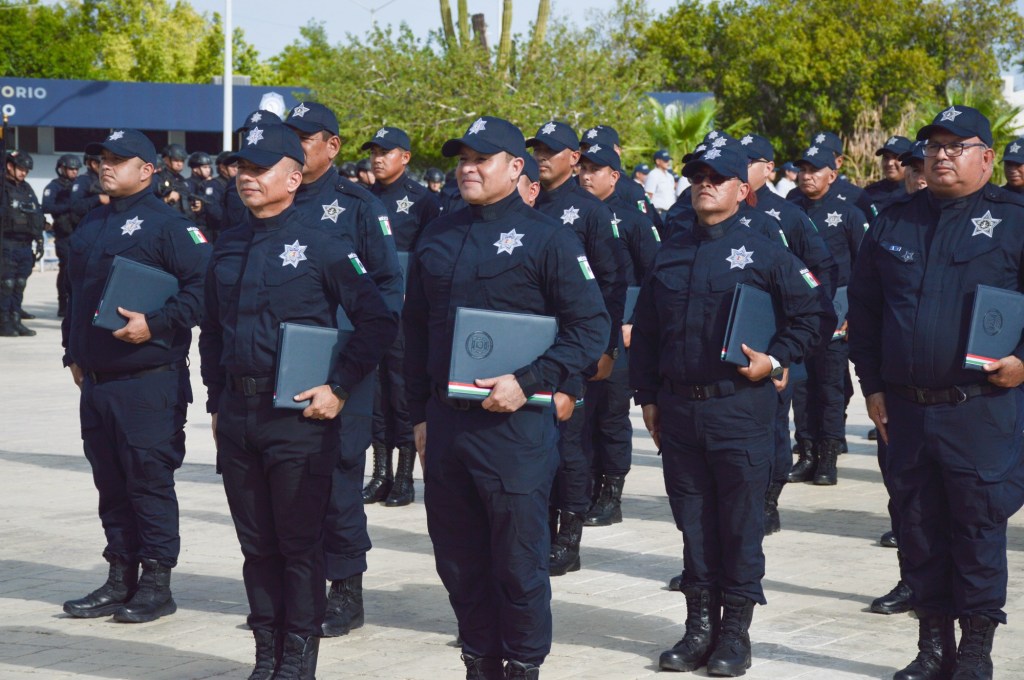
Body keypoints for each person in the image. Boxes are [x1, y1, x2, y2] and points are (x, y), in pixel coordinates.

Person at [403, 115, 610, 680]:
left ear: (515, 167)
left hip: (514, 430)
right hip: (446, 427)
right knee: (459, 562)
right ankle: (479, 663)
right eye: (461, 159)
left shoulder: (550, 239)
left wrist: (533, 379)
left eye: (481, 159)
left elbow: (591, 328)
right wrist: (418, 416)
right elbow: (415, 331)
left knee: (518, 565)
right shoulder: (438, 235)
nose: (467, 169)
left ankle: (522, 665)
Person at [199, 123, 397, 679]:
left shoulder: (323, 243)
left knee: (298, 544)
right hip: (239, 415)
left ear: (292, 175)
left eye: (260, 169)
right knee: (256, 544)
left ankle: (297, 660)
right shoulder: (228, 242)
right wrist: (215, 398)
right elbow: (212, 328)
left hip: (299, 420)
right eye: (241, 168)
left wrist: (338, 388)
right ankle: (266, 655)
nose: (246, 178)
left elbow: (377, 321)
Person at [631, 144, 828, 676]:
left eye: (718, 178)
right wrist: (646, 397)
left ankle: (734, 635)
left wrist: (777, 358)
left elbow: (815, 315)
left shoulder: (766, 250)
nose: (704, 184)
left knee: (740, 524)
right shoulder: (669, 252)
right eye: (697, 175)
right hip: (678, 410)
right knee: (693, 523)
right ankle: (699, 628)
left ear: (744, 190)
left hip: (739, 409)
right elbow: (646, 333)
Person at [849, 105, 1024, 680]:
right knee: (917, 528)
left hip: (980, 409)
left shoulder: (1013, 219)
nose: (942, 155)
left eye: (956, 145)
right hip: (906, 410)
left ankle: (974, 651)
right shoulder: (894, 221)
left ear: (986, 157)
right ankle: (932, 647)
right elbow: (866, 312)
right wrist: (871, 387)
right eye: (934, 146)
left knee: (975, 530)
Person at [60, 129, 211, 623]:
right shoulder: (95, 219)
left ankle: (156, 584)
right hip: (98, 381)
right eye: (103, 158)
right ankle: (119, 576)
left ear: (148, 170)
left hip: (147, 380)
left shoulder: (170, 225)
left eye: (119, 160)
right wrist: (73, 353)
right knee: (111, 484)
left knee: (148, 482)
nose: (106, 166)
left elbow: (205, 290)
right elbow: (75, 293)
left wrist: (156, 324)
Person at [284, 100, 404, 638]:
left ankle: (346, 591)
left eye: (305, 138)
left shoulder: (356, 206)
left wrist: (350, 362)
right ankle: (296, 592)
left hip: (342, 366)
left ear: (331, 145)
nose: (294, 146)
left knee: (337, 479)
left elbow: (387, 291)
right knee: (285, 484)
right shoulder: (269, 198)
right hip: (281, 366)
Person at [528, 120, 627, 576]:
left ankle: (567, 539)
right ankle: (539, 531)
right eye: (537, 150)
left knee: (570, 444)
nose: (542, 157)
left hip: (575, 344)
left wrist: (603, 347)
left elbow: (611, 283)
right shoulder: (524, 203)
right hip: (530, 343)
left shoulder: (591, 211)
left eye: (552, 151)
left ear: (574, 157)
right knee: (534, 443)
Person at [740, 133, 838, 535]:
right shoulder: (700, 213)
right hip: (724, 349)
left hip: (774, 342)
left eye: (749, 162)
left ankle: (768, 500)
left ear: (768, 169)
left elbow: (820, 272)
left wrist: (799, 339)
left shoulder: (786, 215)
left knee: (774, 425)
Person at [576, 142, 659, 526]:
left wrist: (635, 324)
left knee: (610, 414)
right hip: (577, 331)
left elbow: (656, 279)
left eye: (596, 169)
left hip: (620, 332)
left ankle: (610, 494)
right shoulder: (568, 214)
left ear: (614, 175)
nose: (586, 175)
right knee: (580, 415)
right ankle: (585, 487)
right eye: (583, 168)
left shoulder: (633, 221)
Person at [362, 125, 442, 507]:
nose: (378, 158)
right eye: (374, 152)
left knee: (400, 389)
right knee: (375, 392)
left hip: (406, 313)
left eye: (386, 152)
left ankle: (405, 476)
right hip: (369, 310)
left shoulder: (424, 201)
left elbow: (431, 257)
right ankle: (380, 471)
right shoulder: (361, 198)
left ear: (405, 157)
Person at [787, 145, 867, 487]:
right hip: (798, 311)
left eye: (815, 170)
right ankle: (806, 452)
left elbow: (865, 266)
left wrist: (855, 312)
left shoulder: (848, 213)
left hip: (838, 308)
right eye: (802, 170)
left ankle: (828, 456)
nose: (807, 177)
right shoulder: (789, 211)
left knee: (830, 385)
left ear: (832, 175)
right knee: (802, 386)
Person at [1, 150, 45, 337]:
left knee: (20, 283)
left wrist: (40, 239)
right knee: (7, 283)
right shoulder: (3, 187)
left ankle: (16, 319)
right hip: (7, 243)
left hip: (25, 245)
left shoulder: (26, 189)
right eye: (21, 169)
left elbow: (37, 214)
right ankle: (4, 321)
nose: (23, 173)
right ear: (9, 166)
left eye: (26, 170)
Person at [42, 154, 83, 318]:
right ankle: (63, 304)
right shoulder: (55, 186)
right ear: (62, 168)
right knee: (66, 269)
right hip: (64, 235)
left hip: (79, 233)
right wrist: (70, 205)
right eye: (70, 169)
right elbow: (46, 206)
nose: (74, 172)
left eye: (76, 169)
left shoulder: (80, 185)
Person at [865, 135, 913, 214]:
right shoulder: (870, 192)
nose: (889, 163)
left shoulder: (918, 192)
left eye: (897, 157)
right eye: (886, 157)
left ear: (909, 160)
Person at [153, 144, 190, 214]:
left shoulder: (182, 180)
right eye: (176, 160)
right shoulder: (157, 177)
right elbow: (147, 202)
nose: (180, 164)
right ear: (166, 159)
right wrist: (165, 200)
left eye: (182, 161)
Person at [644, 149, 677, 214]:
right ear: (658, 161)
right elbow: (648, 195)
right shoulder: (653, 174)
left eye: (668, 160)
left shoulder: (670, 176)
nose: (668, 162)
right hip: (659, 212)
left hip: (670, 212)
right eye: (665, 160)